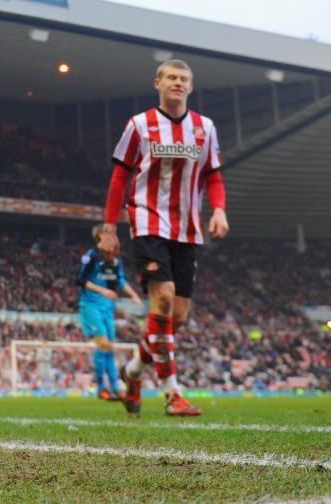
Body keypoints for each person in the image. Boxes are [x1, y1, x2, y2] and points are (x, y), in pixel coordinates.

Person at [98, 59, 229, 417]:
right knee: (165, 299)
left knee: (178, 317)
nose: (177, 82)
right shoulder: (140, 125)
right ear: (157, 82)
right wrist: (109, 228)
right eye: (171, 77)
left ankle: (134, 371)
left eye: (183, 78)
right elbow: (119, 178)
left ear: (191, 86)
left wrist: (218, 210)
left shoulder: (205, 128)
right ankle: (172, 394)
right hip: (147, 220)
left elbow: (214, 176)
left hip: (187, 228)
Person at [77, 224, 142, 401]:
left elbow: (120, 280)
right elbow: (80, 280)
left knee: (109, 349)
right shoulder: (91, 256)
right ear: (99, 235)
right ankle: (101, 388)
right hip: (91, 306)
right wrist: (102, 291)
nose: (113, 236)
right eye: (109, 233)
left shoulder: (114, 260)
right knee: (103, 344)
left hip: (108, 308)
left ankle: (115, 388)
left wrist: (134, 295)